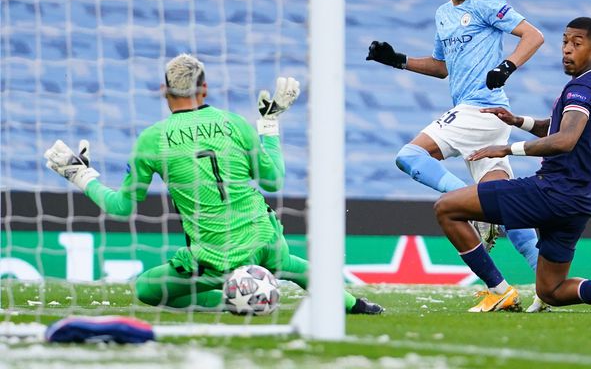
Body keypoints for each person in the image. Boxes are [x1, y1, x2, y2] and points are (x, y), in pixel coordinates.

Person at [44, 54, 383, 315]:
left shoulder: (153, 139)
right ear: (204, 89)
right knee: (290, 264)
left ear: (164, 91)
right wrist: (269, 125)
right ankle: (356, 305)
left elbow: (121, 208)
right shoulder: (233, 123)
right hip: (265, 239)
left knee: (147, 289)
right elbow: (274, 180)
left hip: (212, 256)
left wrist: (81, 175)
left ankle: (228, 300)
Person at [434, 17, 591, 314]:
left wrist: (507, 148)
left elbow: (564, 140)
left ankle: (499, 290)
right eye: (565, 42)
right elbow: (557, 130)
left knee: (446, 208)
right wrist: (519, 121)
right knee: (551, 290)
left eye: (576, 44)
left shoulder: (583, 88)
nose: (567, 50)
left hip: (551, 192)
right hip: (577, 202)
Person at [366, 0, 547, 311]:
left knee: (410, 155)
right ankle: (542, 289)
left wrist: (507, 67)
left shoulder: (485, 4)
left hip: (480, 109)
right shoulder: (442, 15)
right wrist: (397, 60)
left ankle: (473, 209)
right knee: (508, 208)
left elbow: (534, 36)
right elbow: (441, 66)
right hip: (485, 119)